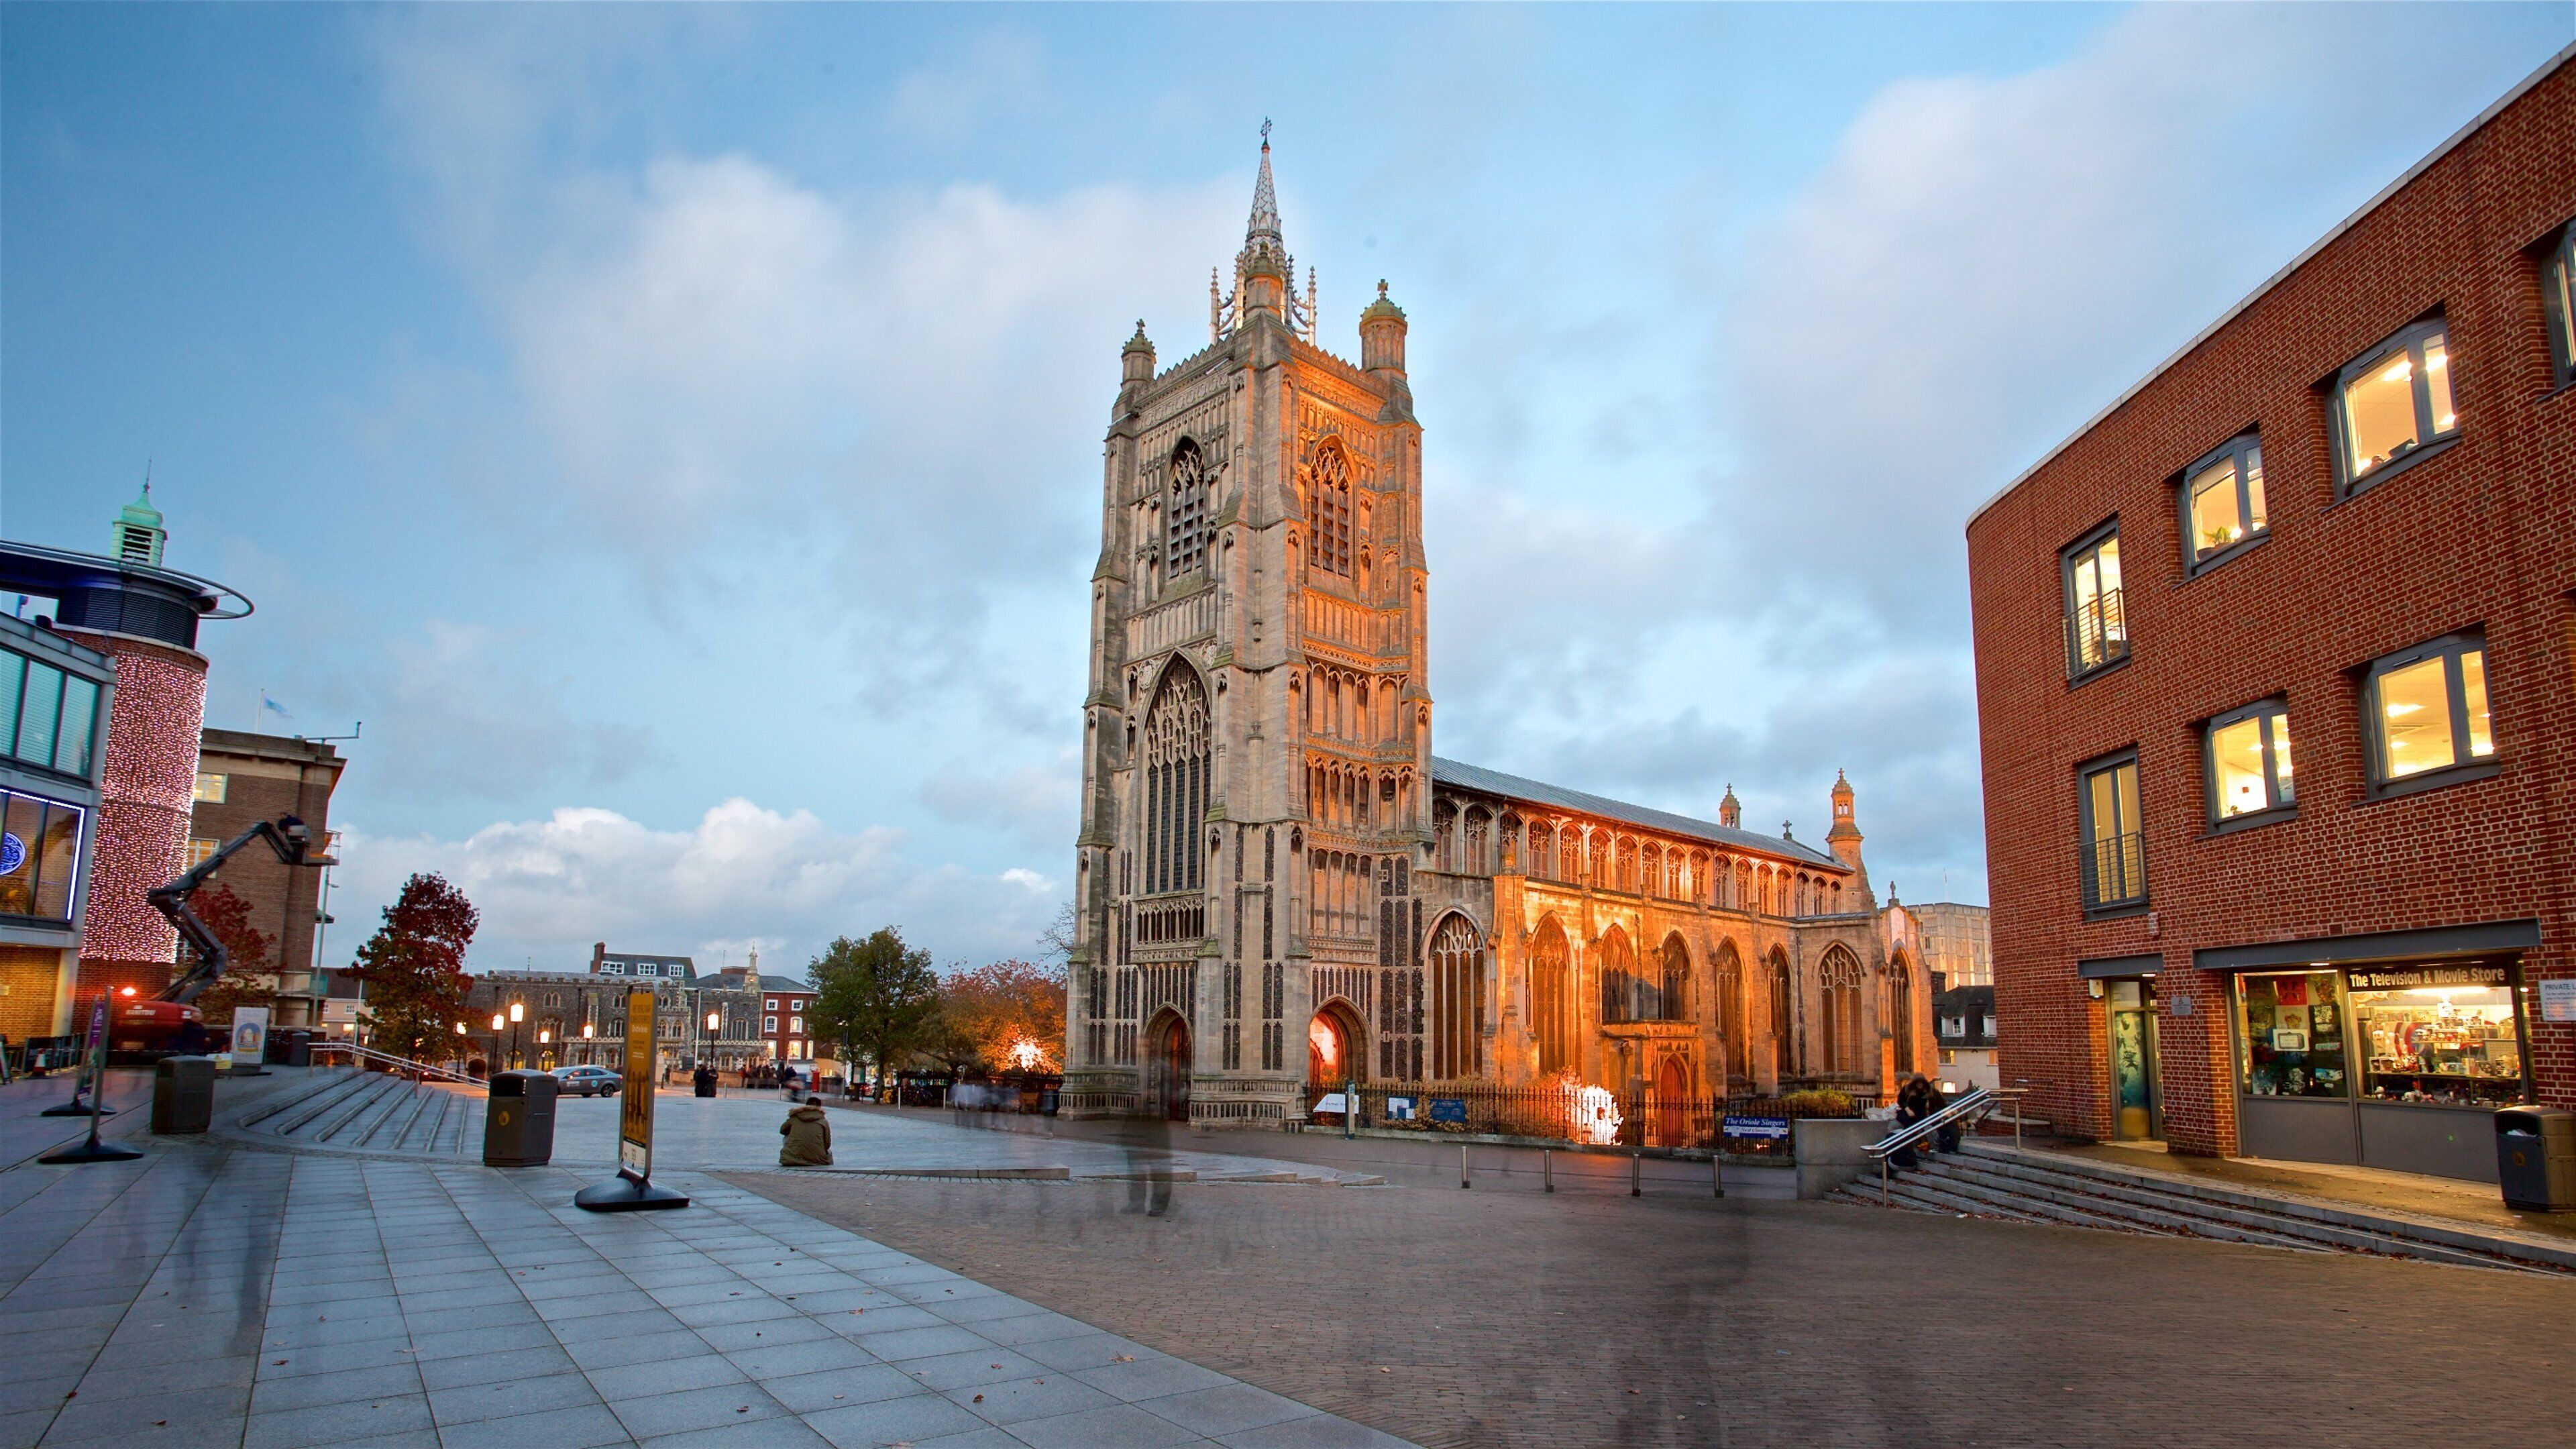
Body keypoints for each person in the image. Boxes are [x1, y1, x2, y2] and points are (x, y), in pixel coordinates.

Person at [1890, 1074, 1936, 1173]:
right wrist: (1907, 1109)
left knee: (1922, 1127)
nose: (1920, 1085)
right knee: (1909, 1125)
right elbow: (1901, 1100)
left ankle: (1922, 1144)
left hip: (1920, 1112)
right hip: (1908, 1111)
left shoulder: (1927, 1090)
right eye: (1918, 1084)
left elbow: (1932, 1101)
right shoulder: (1908, 1089)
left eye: (1921, 1084)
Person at [779, 1093, 833, 1167]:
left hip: (791, 1157)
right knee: (829, 1152)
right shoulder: (823, 1121)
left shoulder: (795, 1117)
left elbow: (782, 1131)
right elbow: (827, 1144)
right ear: (820, 1107)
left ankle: (793, 1154)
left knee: (787, 1135)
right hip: (816, 1159)